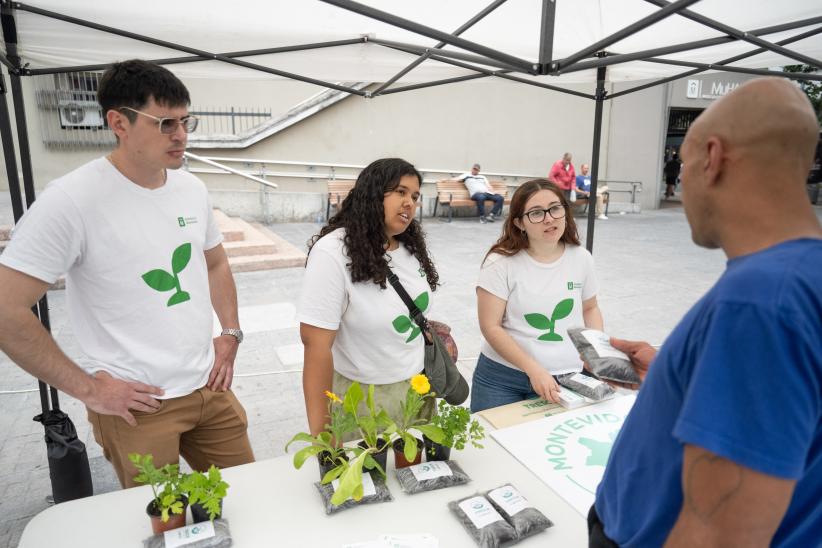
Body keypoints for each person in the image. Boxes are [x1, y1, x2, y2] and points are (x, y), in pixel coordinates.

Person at [0, 60, 254, 488]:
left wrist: (230, 332)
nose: (181, 135)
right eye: (165, 123)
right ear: (118, 122)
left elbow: (214, 262)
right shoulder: (72, 200)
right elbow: (7, 309)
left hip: (209, 389)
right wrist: (89, 389)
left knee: (250, 495)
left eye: (185, 120)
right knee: (165, 522)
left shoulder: (190, 187)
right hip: (136, 407)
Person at [591, 78, 822, 547]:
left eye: (683, 163)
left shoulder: (760, 301)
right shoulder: (799, 278)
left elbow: (719, 533)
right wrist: (678, 375)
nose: (682, 181)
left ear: (712, 158)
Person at [298, 158, 440, 436]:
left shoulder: (409, 246)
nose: (410, 202)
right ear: (373, 193)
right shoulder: (333, 253)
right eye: (400, 192)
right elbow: (315, 346)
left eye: (415, 196)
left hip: (417, 391)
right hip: (363, 401)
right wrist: (323, 436)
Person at [470, 179, 605, 413]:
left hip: (567, 376)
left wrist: (594, 352)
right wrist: (533, 369)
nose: (549, 218)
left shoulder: (581, 258)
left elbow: (590, 308)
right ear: (519, 223)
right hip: (502, 377)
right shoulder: (499, 262)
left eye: (555, 208)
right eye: (536, 213)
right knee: (491, 444)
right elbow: (490, 326)